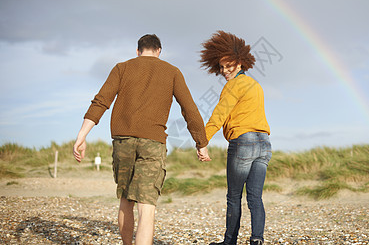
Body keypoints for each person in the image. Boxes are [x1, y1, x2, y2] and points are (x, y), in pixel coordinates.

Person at [73, 34, 211, 245]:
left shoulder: (122, 68)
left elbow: (101, 101)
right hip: (153, 143)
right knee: (146, 208)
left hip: (123, 141)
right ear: (159, 51)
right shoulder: (172, 72)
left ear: (137, 51)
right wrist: (201, 143)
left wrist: (82, 136)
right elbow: (189, 110)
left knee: (126, 201)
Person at [200, 31, 272, 245]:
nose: (224, 71)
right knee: (255, 197)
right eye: (221, 67)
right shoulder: (255, 85)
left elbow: (219, 115)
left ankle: (229, 242)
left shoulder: (233, 85)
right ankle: (257, 239)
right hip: (265, 144)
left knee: (233, 197)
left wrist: (202, 141)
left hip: (244, 142)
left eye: (228, 65)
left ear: (240, 63)